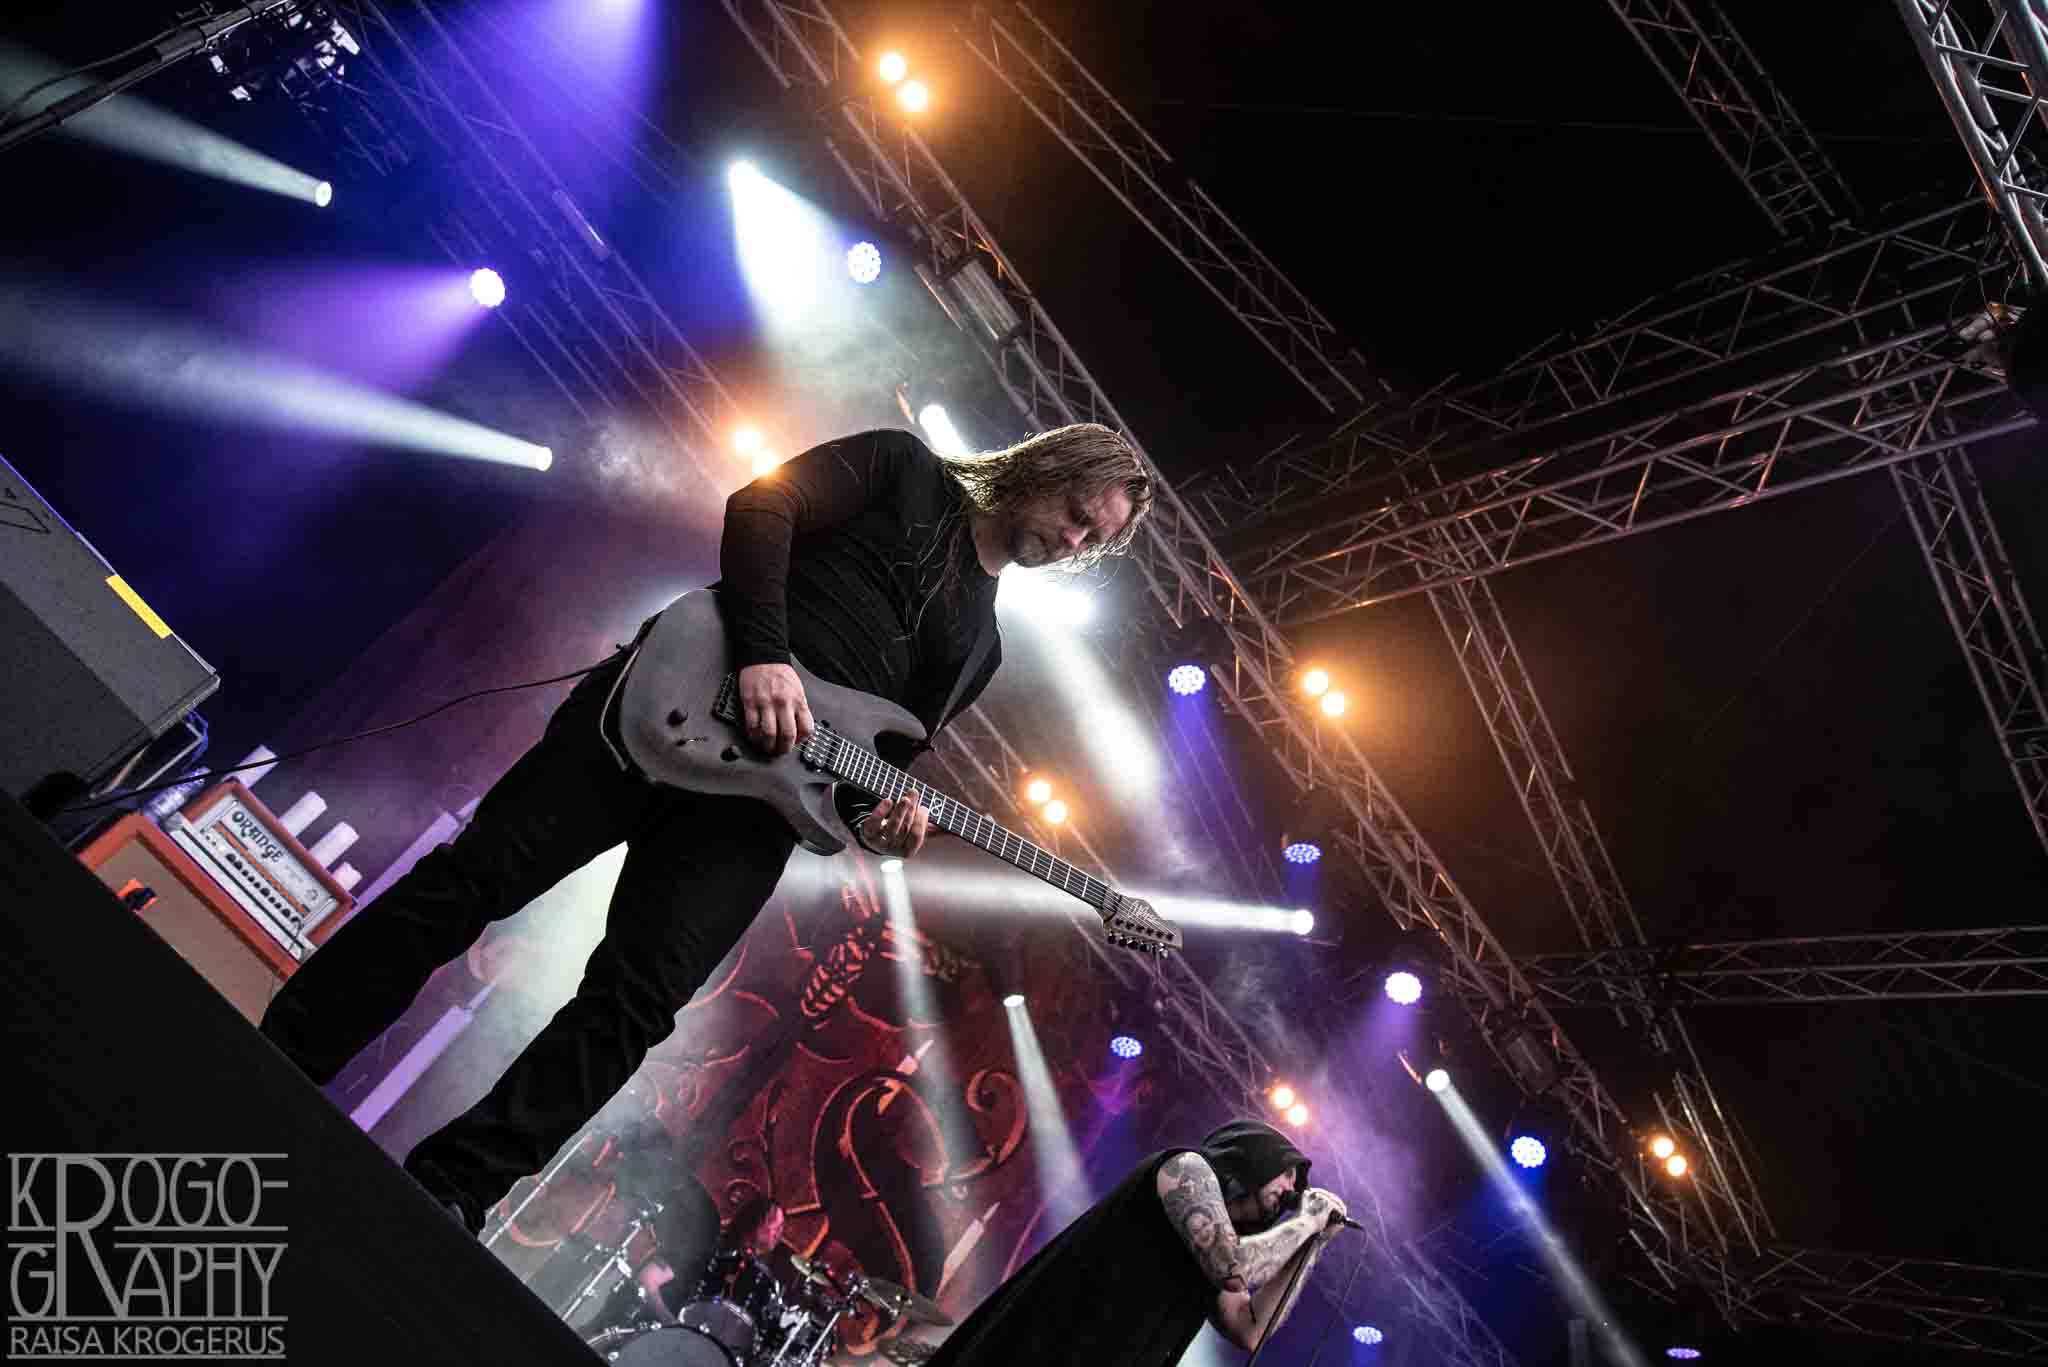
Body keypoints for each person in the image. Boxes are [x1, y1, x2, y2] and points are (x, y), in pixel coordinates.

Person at [258, 423, 1151, 1232]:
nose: (1074, 542)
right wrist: (764, 655)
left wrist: (882, 825)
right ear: (1046, 468)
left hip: (753, 817)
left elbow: (870, 770)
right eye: (1078, 514)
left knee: (635, 1005)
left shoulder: (980, 649)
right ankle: (286, 1051)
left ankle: (454, 1185)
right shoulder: (902, 466)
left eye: (1093, 540)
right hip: (671, 696)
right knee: (476, 878)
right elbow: (762, 505)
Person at [924, 1121, 1347, 1365]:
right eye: (1287, 1173)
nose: (1291, 1189)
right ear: (1256, 1155)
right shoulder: (1186, 1168)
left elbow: (1249, 1328)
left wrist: (1312, 1246)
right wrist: (1305, 1222)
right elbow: (1233, 1265)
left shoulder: (1217, 1251)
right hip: (1048, 1349)